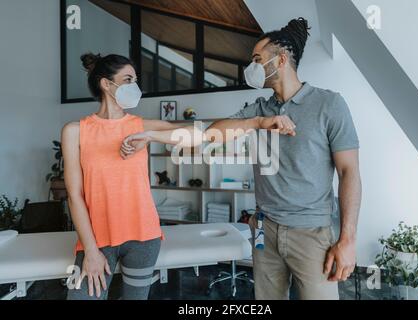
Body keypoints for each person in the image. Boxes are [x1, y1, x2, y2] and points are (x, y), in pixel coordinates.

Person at [206, 18, 362, 300]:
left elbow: (349, 172)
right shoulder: (259, 108)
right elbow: (213, 134)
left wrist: (348, 239)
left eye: (257, 59)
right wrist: (257, 122)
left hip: (311, 233)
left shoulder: (330, 104)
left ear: (279, 60)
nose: (251, 67)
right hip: (264, 229)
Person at [62, 53, 200, 300]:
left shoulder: (140, 125)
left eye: (135, 81)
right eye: (128, 80)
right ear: (106, 84)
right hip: (95, 240)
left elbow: (195, 135)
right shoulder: (75, 131)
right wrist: (91, 251)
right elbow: (74, 195)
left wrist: (151, 137)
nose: (134, 87)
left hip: (144, 238)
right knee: (78, 296)